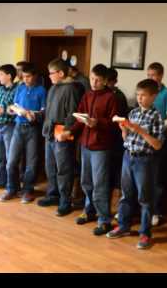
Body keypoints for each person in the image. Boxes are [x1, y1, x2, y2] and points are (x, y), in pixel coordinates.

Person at [106, 79, 165, 249]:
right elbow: (127, 139)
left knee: (145, 198)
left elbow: (157, 144)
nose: (140, 98)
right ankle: (123, 226)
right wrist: (124, 128)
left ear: (153, 96)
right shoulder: (133, 113)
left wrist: (139, 130)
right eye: (138, 95)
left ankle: (145, 233)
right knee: (126, 194)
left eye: (144, 95)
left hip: (145, 160)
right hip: (128, 156)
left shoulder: (156, 116)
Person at [64, 64, 118, 235]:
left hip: (101, 147)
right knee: (85, 181)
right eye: (92, 78)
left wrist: (98, 123)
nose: (94, 83)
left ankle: (104, 220)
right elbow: (80, 118)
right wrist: (69, 132)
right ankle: (89, 210)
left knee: (100, 184)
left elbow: (114, 124)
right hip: (85, 145)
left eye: (98, 80)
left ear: (105, 82)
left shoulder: (111, 98)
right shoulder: (87, 95)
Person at [37, 59, 82, 215]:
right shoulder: (54, 87)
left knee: (64, 168)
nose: (49, 76)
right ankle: (53, 194)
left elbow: (72, 114)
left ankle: (65, 200)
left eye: (51, 73)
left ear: (61, 73)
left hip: (62, 133)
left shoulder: (71, 88)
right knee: (50, 166)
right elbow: (49, 110)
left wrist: (67, 131)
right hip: (49, 132)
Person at [0, 63, 46, 203]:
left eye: (29, 76)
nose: (26, 79)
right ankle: (11, 189)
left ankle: (27, 191)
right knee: (11, 161)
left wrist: (34, 115)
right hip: (18, 127)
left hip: (33, 129)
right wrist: (11, 109)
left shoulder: (41, 90)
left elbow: (44, 111)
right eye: (24, 76)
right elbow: (14, 106)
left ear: (35, 76)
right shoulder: (20, 88)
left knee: (31, 163)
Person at [147, 62, 167, 226]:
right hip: (145, 140)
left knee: (157, 178)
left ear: (161, 75)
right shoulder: (145, 91)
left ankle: (156, 211)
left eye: (154, 75)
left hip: (159, 139)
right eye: (149, 75)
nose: (151, 78)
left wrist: (154, 128)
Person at [0, 64, 18, 190]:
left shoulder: (17, 90)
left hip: (9, 126)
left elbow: (16, 109)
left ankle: (11, 185)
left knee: (10, 158)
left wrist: (3, 110)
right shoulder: (0, 90)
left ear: (9, 76)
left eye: (1, 74)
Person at [106, 68, 129, 215]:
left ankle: (116, 207)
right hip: (105, 140)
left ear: (114, 81)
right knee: (106, 174)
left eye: (109, 82)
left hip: (116, 140)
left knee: (116, 174)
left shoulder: (119, 96)